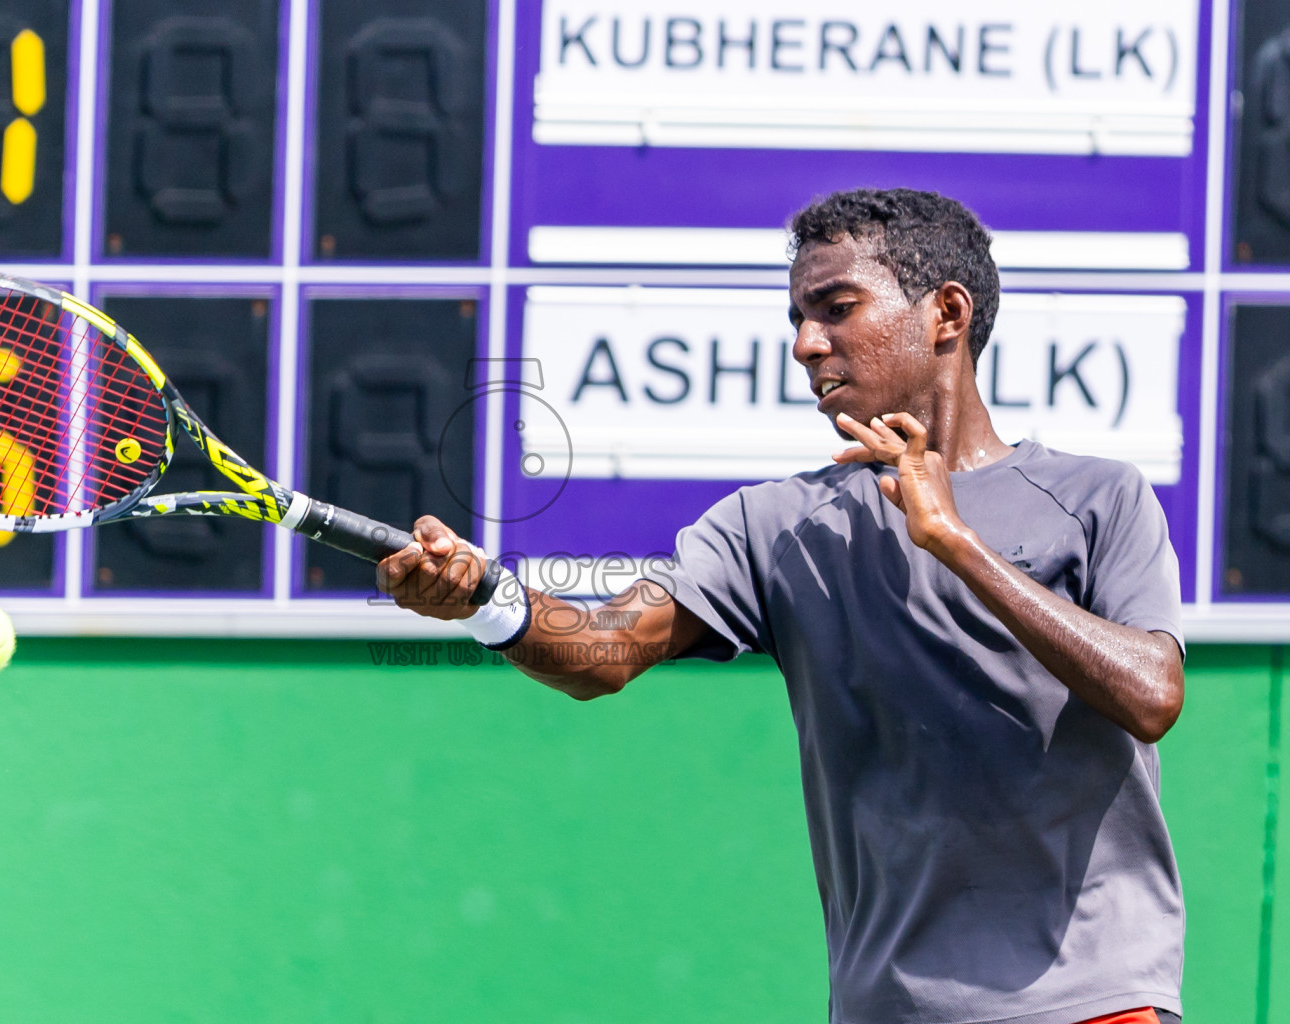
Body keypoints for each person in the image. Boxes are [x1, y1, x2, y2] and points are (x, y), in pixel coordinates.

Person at [378, 188, 1186, 1024]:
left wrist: (952, 539)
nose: (805, 345)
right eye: (799, 317)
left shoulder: (1098, 497)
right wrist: (485, 598)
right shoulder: (772, 525)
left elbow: (1152, 692)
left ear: (946, 314)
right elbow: (602, 652)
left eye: (837, 308)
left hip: (1093, 1002)